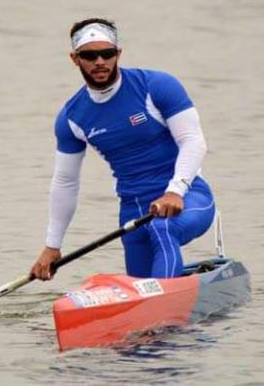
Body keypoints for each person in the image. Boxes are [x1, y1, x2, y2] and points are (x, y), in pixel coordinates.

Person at [30, 18, 215, 281]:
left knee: (162, 229)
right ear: (75, 59)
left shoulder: (156, 86)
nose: (100, 62)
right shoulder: (71, 118)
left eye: (107, 54)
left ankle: (165, 312)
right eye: (90, 55)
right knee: (140, 281)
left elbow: (193, 141)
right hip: (134, 211)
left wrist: (174, 192)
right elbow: (65, 182)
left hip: (188, 196)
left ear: (118, 54)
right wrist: (52, 245)